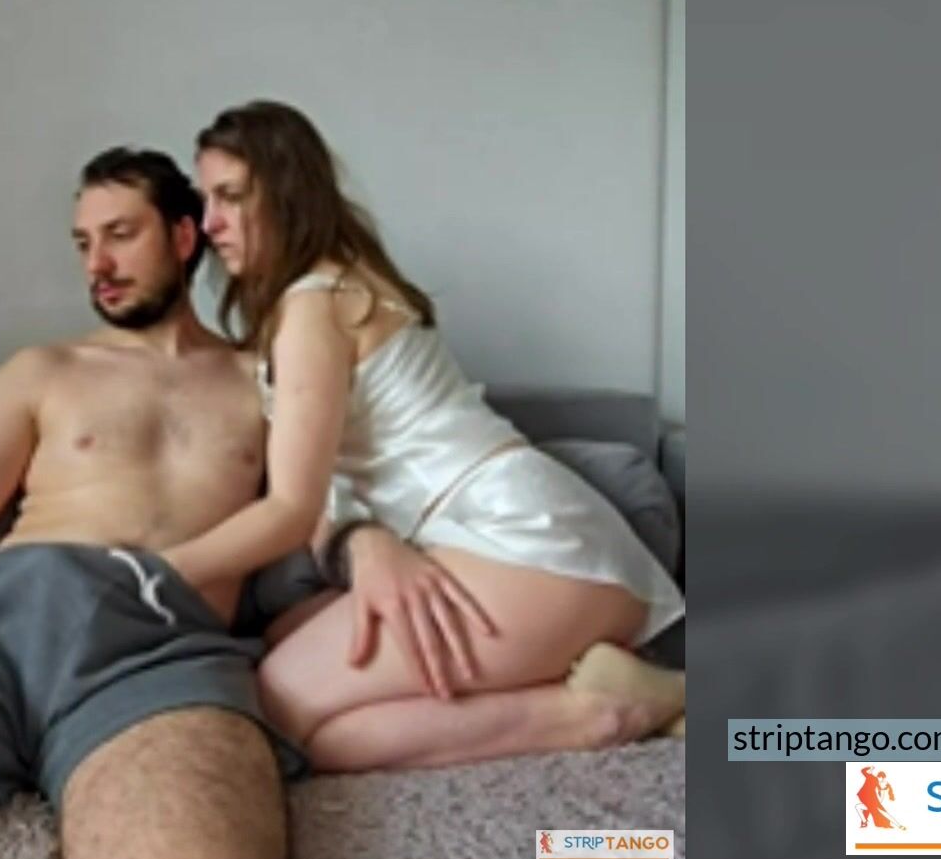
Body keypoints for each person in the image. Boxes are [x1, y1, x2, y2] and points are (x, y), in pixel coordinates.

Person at [154, 99, 688, 773]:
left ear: (287, 195)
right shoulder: (337, 282)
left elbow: (290, 508)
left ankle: (600, 713)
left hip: (528, 547)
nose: (210, 224)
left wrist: (152, 575)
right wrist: (366, 544)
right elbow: (321, 504)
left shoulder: (314, 304)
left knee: (280, 707)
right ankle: (598, 679)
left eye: (231, 197)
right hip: (518, 545)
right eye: (206, 199)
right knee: (297, 664)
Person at [0, 148, 299, 859]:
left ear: (183, 236)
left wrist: (372, 547)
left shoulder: (270, 381)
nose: (97, 263)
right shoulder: (41, 371)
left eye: (120, 235)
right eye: (83, 243)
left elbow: (332, 503)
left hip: (157, 655)